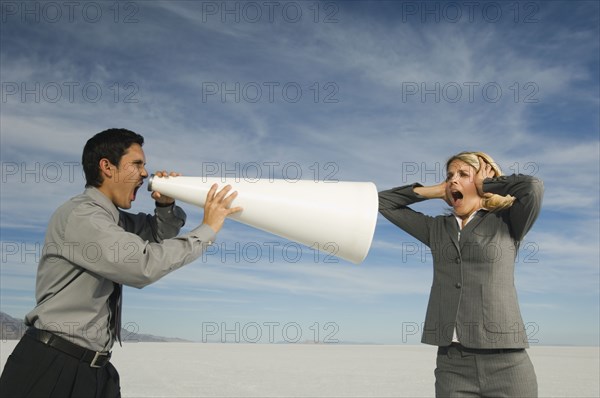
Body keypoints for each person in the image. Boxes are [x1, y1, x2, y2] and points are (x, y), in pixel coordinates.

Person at [0, 128, 242, 398]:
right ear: (107, 167)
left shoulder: (115, 220)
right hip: (52, 367)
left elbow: (159, 235)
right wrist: (207, 229)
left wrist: (165, 205)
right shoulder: (83, 216)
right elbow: (142, 265)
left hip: (95, 370)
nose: (144, 174)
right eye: (137, 164)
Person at [379, 151, 543, 397]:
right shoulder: (436, 228)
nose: (453, 180)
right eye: (449, 176)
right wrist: (433, 191)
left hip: (507, 363)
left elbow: (532, 187)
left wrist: (485, 184)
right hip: (453, 365)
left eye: (463, 174)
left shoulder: (508, 222)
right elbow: (382, 202)